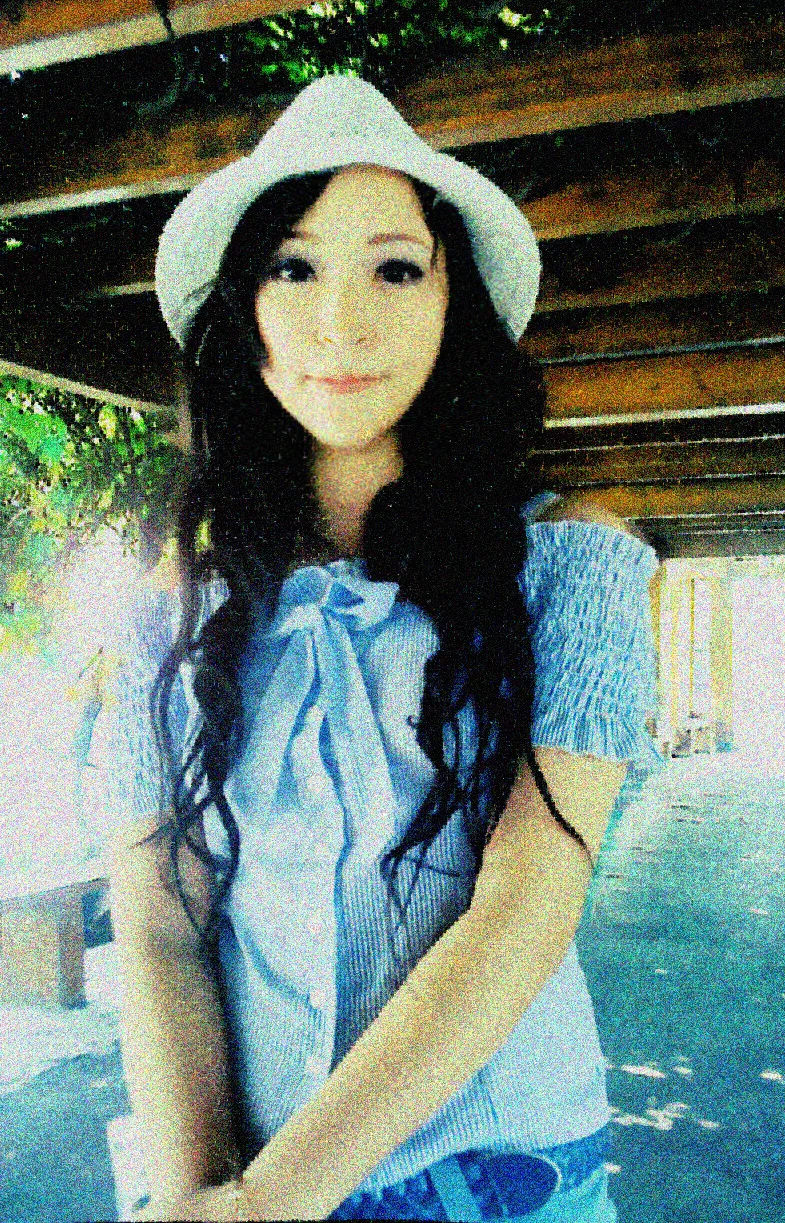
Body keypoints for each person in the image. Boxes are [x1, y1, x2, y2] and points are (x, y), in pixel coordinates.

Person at [105, 75, 661, 1222]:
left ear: (456, 300)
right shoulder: (167, 614)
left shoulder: (573, 566)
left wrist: (270, 1202)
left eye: (396, 268)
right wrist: (200, 1194)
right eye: (293, 267)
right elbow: (160, 922)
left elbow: (528, 902)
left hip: (499, 1184)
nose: (342, 322)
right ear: (243, 307)